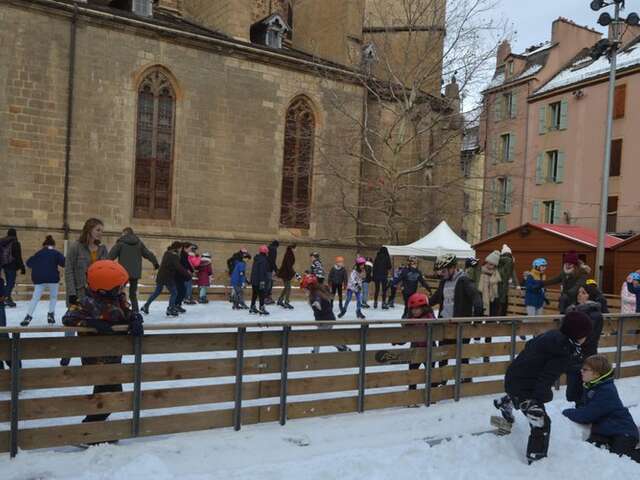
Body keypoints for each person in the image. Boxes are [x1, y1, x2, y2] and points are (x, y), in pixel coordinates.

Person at [493, 311, 593, 464]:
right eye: (586, 334)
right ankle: (536, 458)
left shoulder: (553, 336)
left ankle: (506, 402)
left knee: (523, 397)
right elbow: (546, 378)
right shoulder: (563, 350)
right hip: (525, 385)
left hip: (514, 376)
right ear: (579, 335)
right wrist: (538, 400)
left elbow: (532, 349)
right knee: (541, 422)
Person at [62, 260, 143, 426]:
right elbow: (68, 318)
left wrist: (135, 318)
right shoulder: (86, 302)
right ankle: (88, 431)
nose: (123, 289)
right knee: (111, 394)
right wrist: (92, 323)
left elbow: (127, 312)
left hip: (113, 357)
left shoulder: (118, 300)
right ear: (107, 288)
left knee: (106, 395)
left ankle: (91, 431)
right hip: (96, 359)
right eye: (120, 286)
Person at [562, 355, 640, 464]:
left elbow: (586, 416)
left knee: (619, 459)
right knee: (592, 452)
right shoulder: (592, 387)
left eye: (585, 369)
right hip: (605, 431)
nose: (581, 371)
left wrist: (565, 412)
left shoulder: (606, 391)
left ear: (596, 373)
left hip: (623, 432)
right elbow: (584, 408)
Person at [62, 218, 108, 366]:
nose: (101, 233)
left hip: (96, 297)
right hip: (79, 295)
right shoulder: (75, 247)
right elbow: (68, 271)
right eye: (98, 230)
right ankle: (67, 352)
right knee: (72, 323)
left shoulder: (102, 250)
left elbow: (106, 271)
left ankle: (90, 357)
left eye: (102, 230)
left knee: (91, 328)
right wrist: (72, 294)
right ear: (89, 230)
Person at [430, 254, 483, 373]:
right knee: (443, 354)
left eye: (443, 271)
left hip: (461, 326)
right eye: (440, 272)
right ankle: (440, 380)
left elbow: (477, 298)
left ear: (453, 268)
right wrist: (421, 306)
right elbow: (436, 298)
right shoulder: (443, 282)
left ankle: (465, 380)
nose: (441, 274)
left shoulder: (464, 280)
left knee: (462, 356)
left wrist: (477, 319)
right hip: (445, 324)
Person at [564, 285, 605, 405]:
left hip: (586, 355)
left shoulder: (594, 315)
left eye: (583, 292)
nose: (579, 294)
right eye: (579, 292)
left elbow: (589, 337)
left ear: (590, 296)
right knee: (573, 388)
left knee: (582, 388)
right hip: (574, 355)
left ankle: (583, 411)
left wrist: (572, 340)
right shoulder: (575, 311)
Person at [108, 227, 159, 312]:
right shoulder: (139, 243)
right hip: (135, 273)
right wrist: (155, 263)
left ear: (125, 233)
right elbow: (148, 254)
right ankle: (135, 311)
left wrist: (105, 266)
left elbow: (111, 256)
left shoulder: (121, 243)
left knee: (119, 292)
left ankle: (119, 310)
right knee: (133, 294)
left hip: (123, 273)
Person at [22, 235, 66, 326]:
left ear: (44, 245)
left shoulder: (38, 253)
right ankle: (50, 315)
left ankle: (28, 316)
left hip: (39, 279)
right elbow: (64, 263)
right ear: (53, 245)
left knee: (35, 298)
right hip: (53, 279)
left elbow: (29, 263)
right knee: (53, 297)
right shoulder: (55, 253)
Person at [301, 274, 349, 354]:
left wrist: (317, 303)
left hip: (326, 320)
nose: (304, 291)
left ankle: (315, 353)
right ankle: (342, 347)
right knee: (328, 338)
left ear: (310, 287)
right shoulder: (317, 292)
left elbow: (318, 299)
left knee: (318, 337)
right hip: (326, 319)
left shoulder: (316, 294)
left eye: (305, 289)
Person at [141, 241, 190, 316]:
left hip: (161, 276)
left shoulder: (167, 253)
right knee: (174, 292)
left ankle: (146, 306)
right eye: (180, 248)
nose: (181, 249)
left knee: (157, 292)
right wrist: (187, 274)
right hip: (168, 277)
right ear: (178, 248)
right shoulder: (174, 255)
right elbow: (178, 267)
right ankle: (170, 308)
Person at [404, 293, 438, 391]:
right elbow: (405, 334)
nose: (414, 311)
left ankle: (432, 392)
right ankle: (412, 392)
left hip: (429, 349)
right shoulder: (410, 320)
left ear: (424, 308)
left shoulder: (430, 318)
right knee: (413, 371)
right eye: (413, 309)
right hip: (415, 349)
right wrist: (399, 341)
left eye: (417, 308)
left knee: (431, 371)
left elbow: (436, 327)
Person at [478, 250, 502, 363]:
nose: (490, 265)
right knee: (476, 325)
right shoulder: (480, 272)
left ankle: (486, 353)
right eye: (489, 262)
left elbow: (497, 293)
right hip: (481, 302)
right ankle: (475, 346)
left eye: (492, 264)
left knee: (488, 329)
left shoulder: (497, 274)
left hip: (492, 304)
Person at [0, 228, 26, 307]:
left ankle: (8, 299)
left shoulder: (2, 241)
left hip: (4, 265)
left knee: (8, 283)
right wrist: (22, 267)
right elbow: (18, 256)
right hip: (12, 265)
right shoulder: (15, 243)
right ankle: (6, 298)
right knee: (11, 283)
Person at [497, 244, 519, 316]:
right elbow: (513, 274)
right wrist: (517, 285)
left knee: (498, 304)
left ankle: (497, 318)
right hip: (505, 287)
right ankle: (501, 318)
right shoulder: (510, 262)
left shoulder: (498, 261)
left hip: (498, 286)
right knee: (504, 304)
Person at [250, 245, 270, 315]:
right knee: (262, 294)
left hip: (254, 280)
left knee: (254, 294)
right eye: (267, 251)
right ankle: (262, 308)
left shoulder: (257, 258)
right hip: (260, 281)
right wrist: (262, 282)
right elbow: (262, 271)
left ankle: (252, 307)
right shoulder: (263, 260)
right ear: (265, 252)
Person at [276, 244, 296, 309]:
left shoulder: (289, 253)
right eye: (295, 248)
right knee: (288, 288)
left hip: (286, 273)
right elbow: (288, 265)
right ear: (292, 248)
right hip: (286, 274)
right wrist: (294, 273)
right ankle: (286, 302)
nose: (296, 249)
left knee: (286, 287)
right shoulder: (289, 254)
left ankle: (280, 300)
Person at [265, 240, 279, 305]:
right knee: (269, 284)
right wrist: (276, 269)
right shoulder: (273, 249)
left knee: (268, 283)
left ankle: (267, 298)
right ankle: (266, 299)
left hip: (266, 268)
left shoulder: (268, 248)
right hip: (269, 269)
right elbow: (272, 260)